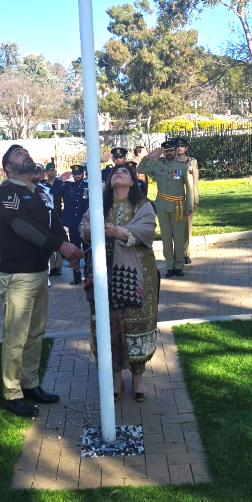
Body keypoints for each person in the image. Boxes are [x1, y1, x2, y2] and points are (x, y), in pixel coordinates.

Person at [0, 144, 82, 417]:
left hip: (39, 272)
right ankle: (12, 393)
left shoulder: (40, 192)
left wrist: (67, 249)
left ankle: (30, 384)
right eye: (18, 154)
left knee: (35, 333)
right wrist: (60, 246)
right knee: (16, 336)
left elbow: (53, 222)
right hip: (17, 275)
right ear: (8, 168)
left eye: (26, 152)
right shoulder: (6, 193)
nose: (26, 155)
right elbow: (22, 228)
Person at [79, 165, 159, 403]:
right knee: (107, 322)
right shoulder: (98, 205)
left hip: (139, 276)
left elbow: (146, 230)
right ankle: (114, 375)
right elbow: (83, 227)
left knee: (137, 322)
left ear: (133, 182)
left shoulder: (143, 206)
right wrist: (97, 231)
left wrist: (118, 231)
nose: (119, 174)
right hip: (103, 274)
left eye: (125, 172)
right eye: (115, 172)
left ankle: (138, 377)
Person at [137, 139, 193, 277]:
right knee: (166, 238)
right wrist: (149, 156)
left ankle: (179, 265)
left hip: (178, 206)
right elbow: (140, 169)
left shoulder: (183, 167)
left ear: (175, 151)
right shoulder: (157, 165)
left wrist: (189, 207)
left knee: (179, 238)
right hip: (162, 206)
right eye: (166, 151)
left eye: (171, 150)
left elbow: (190, 189)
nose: (169, 153)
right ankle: (170, 266)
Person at [57, 163, 90, 284]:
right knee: (74, 250)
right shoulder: (67, 185)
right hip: (72, 223)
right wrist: (60, 179)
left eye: (79, 174)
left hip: (85, 222)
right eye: (75, 174)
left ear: (83, 174)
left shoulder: (88, 185)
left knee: (87, 250)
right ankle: (76, 276)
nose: (77, 176)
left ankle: (87, 275)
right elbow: (54, 190)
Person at [175, 137, 199, 263]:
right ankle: (176, 253)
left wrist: (195, 200)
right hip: (173, 198)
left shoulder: (192, 161)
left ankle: (185, 253)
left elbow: (194, 182)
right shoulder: (171, 161)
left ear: (186, 148)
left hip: (186, 198)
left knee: (186, 228)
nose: (179, 148)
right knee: (174, 228)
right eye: (177, 146)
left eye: (182, 146)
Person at [45, 162, 64, 275]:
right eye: (49, 170)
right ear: (46, 172)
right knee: (50, 239)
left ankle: (59, 266)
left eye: (53, 170)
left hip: (58, 212)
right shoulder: (43, 185)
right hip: (47, 214)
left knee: (59, 238)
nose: (51, 172)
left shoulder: (60, 184)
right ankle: (52, 266)